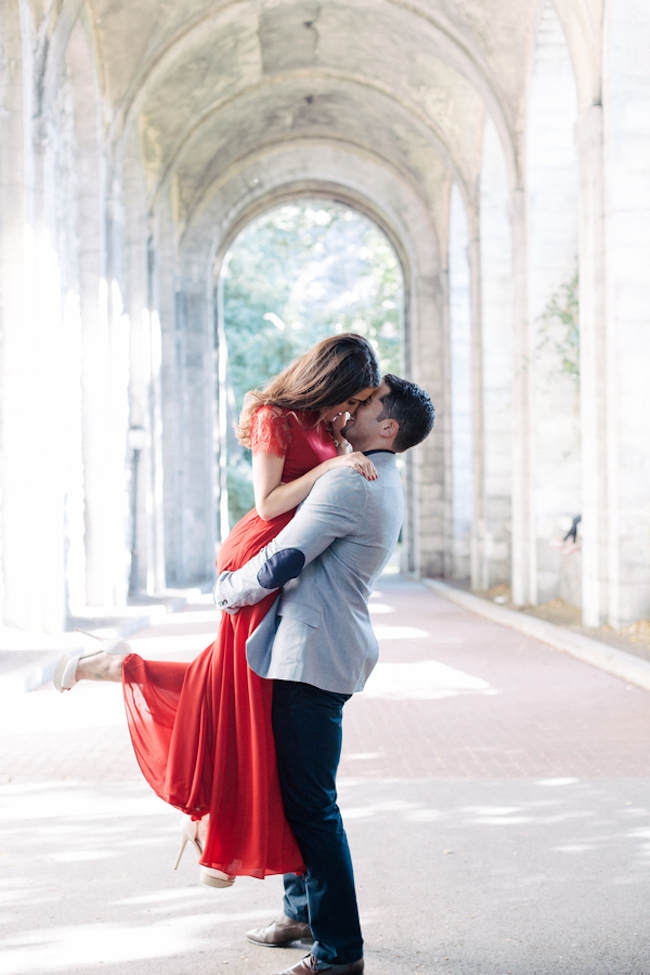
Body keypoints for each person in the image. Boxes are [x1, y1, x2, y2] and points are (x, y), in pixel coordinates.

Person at [54, 334, 380, 887]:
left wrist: (346, 456)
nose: (353, 410)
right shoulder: (274, 417)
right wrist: (333, 471)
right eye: (352, 397)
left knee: (225, 683)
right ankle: (211, 822)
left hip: (288, 561)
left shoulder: (329, 426)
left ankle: (122, 678)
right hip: (258, 555)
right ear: (331, 383)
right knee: (243, 691)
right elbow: (269, 502)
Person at [213, 374, 435, 975]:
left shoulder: (352, 484)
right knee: (299, 793)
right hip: (323, 648)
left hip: (314, 656)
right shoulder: (374, 474)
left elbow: (286, 558)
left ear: (388, 428)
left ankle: (340, 953)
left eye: (365, 404)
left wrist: (229, 591)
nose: (353, 407)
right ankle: (299, 912)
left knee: (312, 805)